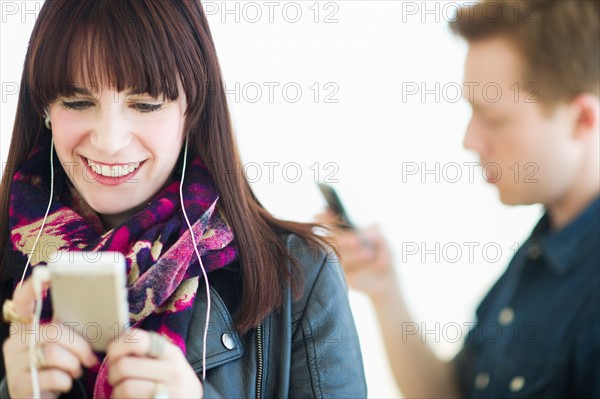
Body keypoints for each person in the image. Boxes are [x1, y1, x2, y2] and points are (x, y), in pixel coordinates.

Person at [0, 1, 367, 398]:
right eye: (77, 101)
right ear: (45, 109)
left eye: (146, 104)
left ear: (191, 108)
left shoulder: (302, 277)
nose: (109, 141)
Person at [318, 1, 599, 398]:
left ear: (581, 120)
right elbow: (454, 392)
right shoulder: (544, 247)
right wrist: (386, 291)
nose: (470, 141)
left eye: (495, 118)